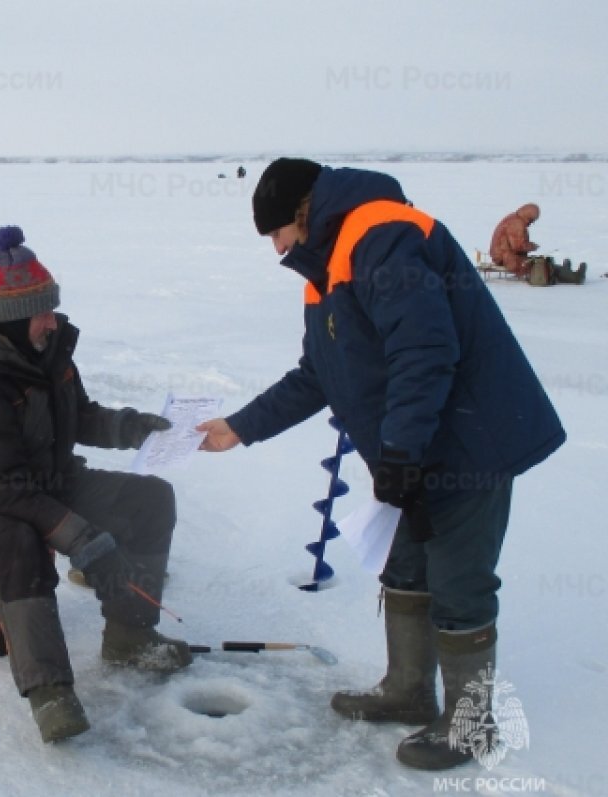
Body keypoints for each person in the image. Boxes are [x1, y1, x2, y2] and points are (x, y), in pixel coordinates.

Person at [196, 159, 565, 771]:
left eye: (275, 234)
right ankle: (408, 689)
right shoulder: (325, 268)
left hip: (469, 440)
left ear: (300, 214)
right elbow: (319, 372)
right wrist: (239, 427)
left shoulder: (380, 236)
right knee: (406, 564)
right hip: (417, 443)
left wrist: (399, 451)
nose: (276, 249)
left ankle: (471, 726)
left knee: (459, 580)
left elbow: (425, 349)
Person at [0, 226, 191, 743]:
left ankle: (130, 636)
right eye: (42, 313)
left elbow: (80, 416)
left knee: (150, 500)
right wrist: (82, 539)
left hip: (51, 479)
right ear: (11, 318)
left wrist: (135, 426)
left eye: (51, 309)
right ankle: (50, 691)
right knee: (20, 537)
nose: (52, 320)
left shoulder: (48, 350)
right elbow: (4, 488)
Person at [489, 203, 540, 277]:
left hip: (501, 254)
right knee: (535, 266)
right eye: (531, 220)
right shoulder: (517, 223)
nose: (531, 223)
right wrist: (532, 246)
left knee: (533, 263)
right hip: (505, 257)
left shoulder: (513, 218)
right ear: (528, 216)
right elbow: (518, 246)